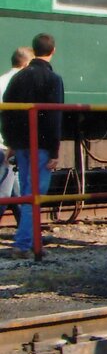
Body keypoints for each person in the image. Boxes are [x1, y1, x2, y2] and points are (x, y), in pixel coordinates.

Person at [0, 34, 64, 259]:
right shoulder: (53, 79)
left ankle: (31, 242)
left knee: (28, 192)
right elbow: (54, 117)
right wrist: (55, 150)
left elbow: (7, 110)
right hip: (42, 146)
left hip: (22, 145)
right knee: (34, 193)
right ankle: (23, 244)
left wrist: (11, 143)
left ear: (35, 50)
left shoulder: (18, 77)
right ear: (53, 50)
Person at [0, 48, 33, 225]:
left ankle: (27, 229)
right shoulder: (19, 83)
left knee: (15, 188)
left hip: (5, 142)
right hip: (8, 144)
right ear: (26, 64)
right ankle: (28, 231)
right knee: (5, 191)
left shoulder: (1, 80)